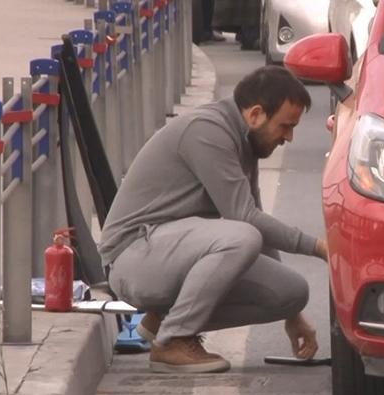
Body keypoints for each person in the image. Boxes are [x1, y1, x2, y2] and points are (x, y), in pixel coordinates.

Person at [98, 66, 329, 374]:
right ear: (256, 114)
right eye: (285, 126)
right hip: (133, 257)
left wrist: (292, 313)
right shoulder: (208, 131)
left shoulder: (244, 140)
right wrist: (320, 248)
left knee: (292, 291)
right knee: (241, 237)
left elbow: (255, 216)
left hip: (167, 253)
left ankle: (165, 319)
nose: (289, 137)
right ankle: (173, 340)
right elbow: (246, 219)